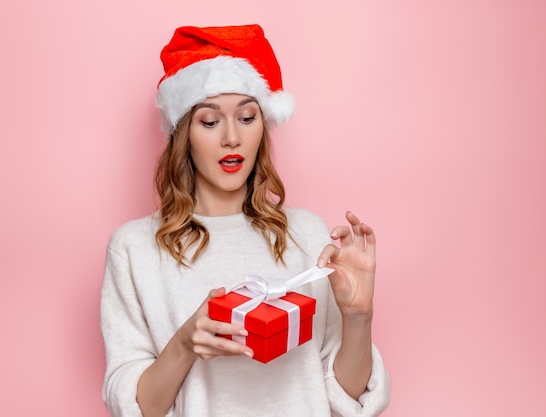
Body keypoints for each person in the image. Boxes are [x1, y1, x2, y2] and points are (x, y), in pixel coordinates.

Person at [100, 24, 390, 417]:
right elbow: (134, 406)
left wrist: (359, 317)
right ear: (183, 133)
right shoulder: (135, 248)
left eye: (248, 117)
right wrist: (186, 342)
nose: (232, 137)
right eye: (209, 121)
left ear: (262, 127)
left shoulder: (308, 234)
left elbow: (346, 396)